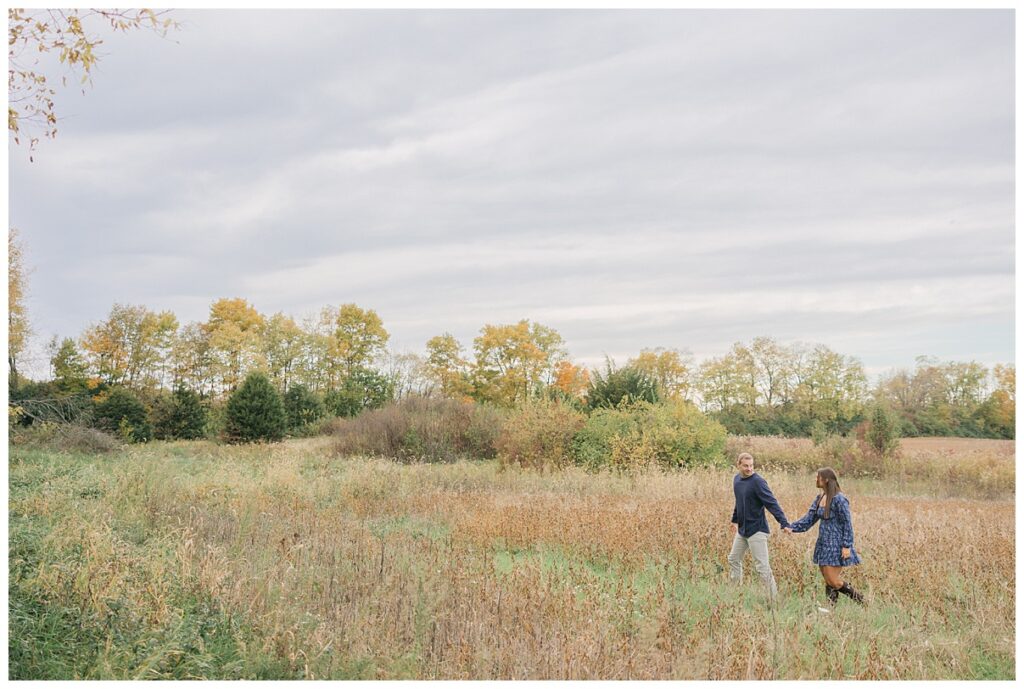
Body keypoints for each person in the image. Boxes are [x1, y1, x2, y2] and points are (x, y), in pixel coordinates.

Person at [783, 467, 864, 607]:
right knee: (828, 580)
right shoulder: (820, 498)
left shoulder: (839, 499)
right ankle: (831, 610)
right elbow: (809, 519)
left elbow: (847, 523)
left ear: (826, 480)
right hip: (823, 544)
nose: (816, 479)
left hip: (836, 544)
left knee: (834, 581)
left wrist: (847, 546)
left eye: (818, 477)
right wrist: (792, 527)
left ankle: (862, 600)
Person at [728, 452, 790, 601]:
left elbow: (771, 503)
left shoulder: (758, 482)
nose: (749, 469)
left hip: (757, 530)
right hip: (743, 530)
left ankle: (774, 600)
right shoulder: (737, 480)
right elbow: (739, 501)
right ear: (738, 465)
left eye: (751, 466)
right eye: (745, 466)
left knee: (762, 567)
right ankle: (734, 594)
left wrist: (783, 522)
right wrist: (734, 520)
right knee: (733, 559)